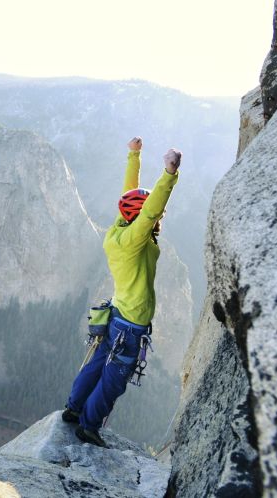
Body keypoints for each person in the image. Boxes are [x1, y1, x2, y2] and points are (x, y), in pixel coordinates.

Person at [61, 136, 182, 448]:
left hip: (117, 315)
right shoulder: (135, 239)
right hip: (130, 324)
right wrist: (169, 174)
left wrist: (134, 155)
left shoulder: (120, 227)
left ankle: (73, 409)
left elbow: (130, 196)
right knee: (113, 379)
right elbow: (151, 210)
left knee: (99, 363)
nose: (157, 222)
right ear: (138, 217)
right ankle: (88, 426)